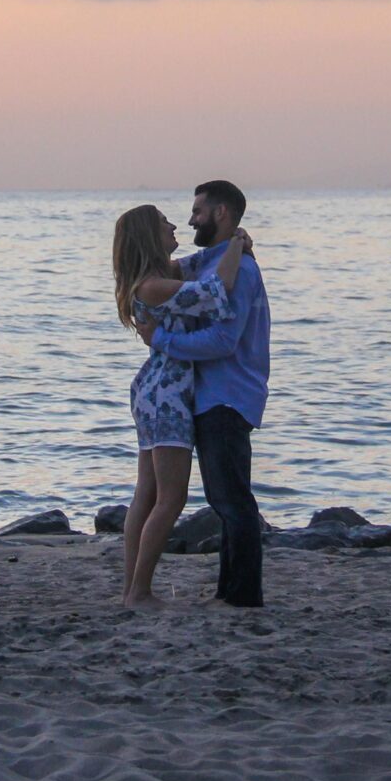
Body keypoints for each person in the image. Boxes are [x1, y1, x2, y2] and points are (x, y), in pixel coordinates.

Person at [137, 180, 270, 608]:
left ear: (220, 214)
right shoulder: (213, 264)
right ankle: (229, 593)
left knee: (232, 501)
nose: (190, 218)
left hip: (227, 396)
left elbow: (223, 341)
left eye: (197, 211)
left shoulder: (240, 271)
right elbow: (185, 270)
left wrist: (161, 341)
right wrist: (238, 241)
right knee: (225, 499)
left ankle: (241, 596)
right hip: (209, 395)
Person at [111, 204, 250, 609]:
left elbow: (202, 261)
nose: (175, 225)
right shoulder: (153, 285)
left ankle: (131, 590)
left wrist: (235, 243)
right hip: (167, 394)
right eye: (164, 223)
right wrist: (239, 241)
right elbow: (215, 290)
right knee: (170, 498)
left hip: (154, 389)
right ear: (149, 236)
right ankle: (138, 591)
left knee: (147, 494)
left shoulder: (164, 274)